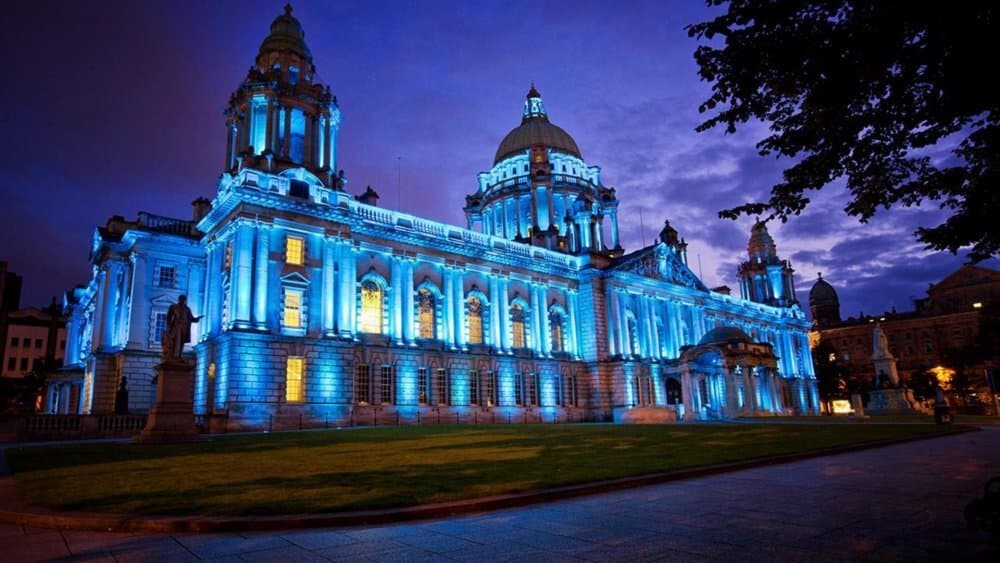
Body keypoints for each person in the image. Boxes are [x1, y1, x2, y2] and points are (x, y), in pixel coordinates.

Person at [162, 295, 202, 361]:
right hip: (176, 327)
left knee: (181, 342)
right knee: (175, 341)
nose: (182, 300)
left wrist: (197, 319)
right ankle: (174, 356)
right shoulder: (174, 307)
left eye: (183, 299)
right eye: (181, 299)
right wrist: (169, 326)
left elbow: (191, 318)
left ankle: (178, 355)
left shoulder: (187, 309)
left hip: (184, 328)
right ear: (179, 299)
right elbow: (168, 317)